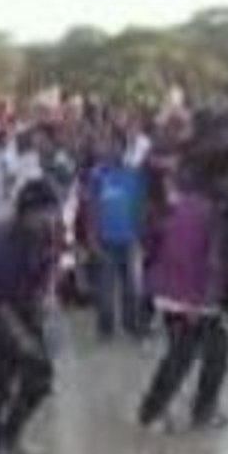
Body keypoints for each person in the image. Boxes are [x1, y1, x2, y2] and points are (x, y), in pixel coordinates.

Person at [137, 145, 228, 433]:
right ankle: (157, 413)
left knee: (199, 351)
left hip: (175, 293)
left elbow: (155, 243)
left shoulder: (185, 203)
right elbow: (214, 260)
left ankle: (180, 410)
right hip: (192, 297)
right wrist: (205, 301)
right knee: (193, 353)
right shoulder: (211, 209)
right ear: (221, 176)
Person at [0, 180, 59, 454]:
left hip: (27, 310)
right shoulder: (3, 243)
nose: (50, 218)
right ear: (26, 213)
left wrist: (45, 298)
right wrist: (20, 338)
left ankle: (11, 436)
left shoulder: (47, 235)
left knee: (42, 377)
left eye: (52, 211)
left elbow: (47, 270)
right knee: (0, 385)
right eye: (44, 212)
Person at [86, 129, 147, 339]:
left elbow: (139, 207)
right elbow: (92, 209)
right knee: (105, 289)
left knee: (131, 288)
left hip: (129, 240)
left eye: (117, 145)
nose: (112, 149)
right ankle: (105, 327)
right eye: (109, 145)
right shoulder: (96, 175)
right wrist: (92, 238)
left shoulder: (133, 174)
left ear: (124, 148)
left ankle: (131, 324)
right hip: (105, 241)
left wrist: (139, 237)